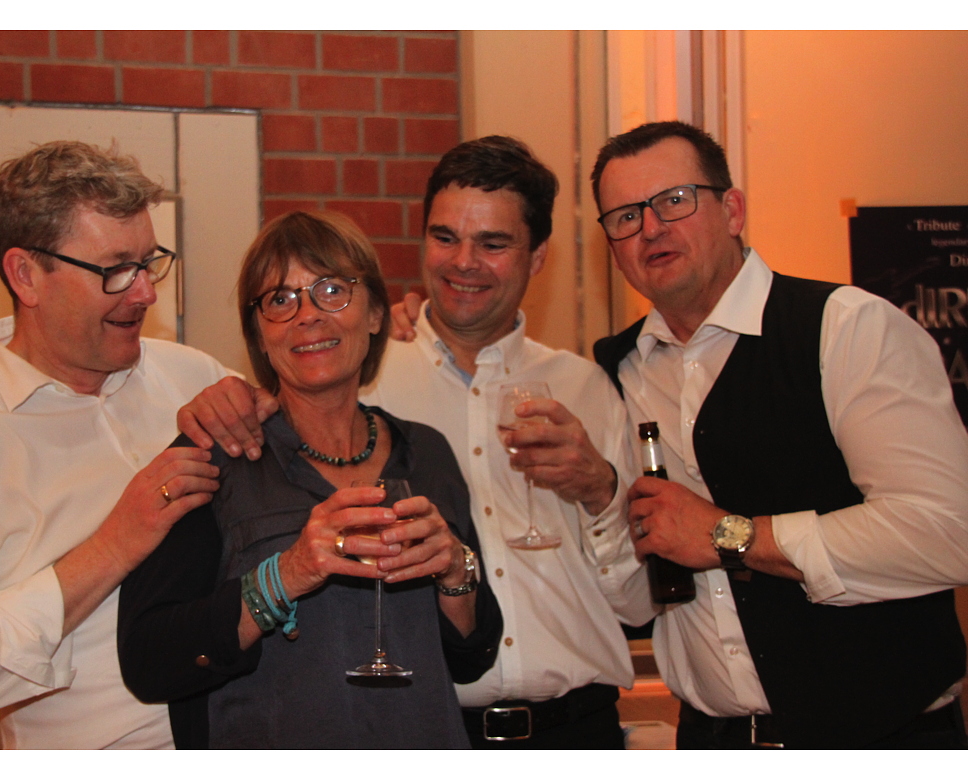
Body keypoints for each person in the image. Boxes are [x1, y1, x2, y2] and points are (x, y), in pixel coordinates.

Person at [180, 137, 653, 749]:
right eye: (445, 237)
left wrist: (600, 491)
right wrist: (222, 399)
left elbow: (640, 606)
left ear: (538, 257)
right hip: (426, 728)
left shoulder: (585, 388)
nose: (464, 262)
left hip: (578, 731)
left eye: (493, 243)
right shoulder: (357, 375)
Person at [591, 120, 968, 748]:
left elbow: (947, 533)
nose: (651, 228)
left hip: (883, 740)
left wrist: (728, 535)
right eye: (625, 216)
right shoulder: (615, 371)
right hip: (713, 740)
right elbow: (631, 592)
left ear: (732, 210)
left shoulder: (846, 329)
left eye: (674, 200)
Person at [0, 141, 240, 748]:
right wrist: (112, 546)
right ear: (25, 274)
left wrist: (388, 332)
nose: (145, 293)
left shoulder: (193, 374)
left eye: (148, 262)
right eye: (115, 270)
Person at [117, 210, 502, 749]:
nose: (307, 316)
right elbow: (149, 662)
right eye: (279, 299)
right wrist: (285, 576)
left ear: (375, 313)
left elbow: (471, 657)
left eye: (332, 290)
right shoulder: (214, 457)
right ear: (259, 333)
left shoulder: (427, 452)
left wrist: (456, 571)